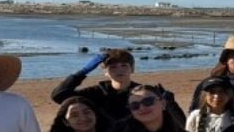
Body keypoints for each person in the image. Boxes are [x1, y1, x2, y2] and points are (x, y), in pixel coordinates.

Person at [52, 48, 185, 126]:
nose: (119, 70)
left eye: (124, 65)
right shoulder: (96, 93)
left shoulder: (142, 93)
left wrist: (169, 103)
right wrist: (83, 71)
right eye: (113, 67)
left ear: (132, 68)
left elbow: (180, 123)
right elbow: (59, 96)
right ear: (105, 72)